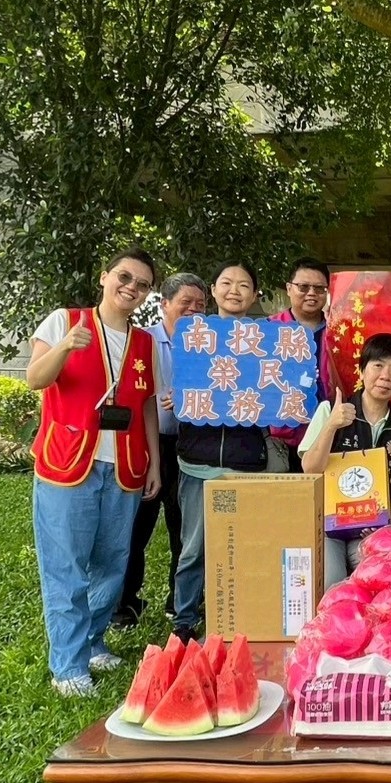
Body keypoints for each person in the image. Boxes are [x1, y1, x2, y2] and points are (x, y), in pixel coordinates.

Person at [27, 249, 162, 697]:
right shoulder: (64, 321)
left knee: (112, 562)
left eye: (142, 284)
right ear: (105, 276)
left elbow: (145, 406)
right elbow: (35, 378)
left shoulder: (144, 343)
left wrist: (154, 462)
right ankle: (67, 666)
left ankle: (92, 642)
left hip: (125, 465)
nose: (131, 287)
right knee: (66, 565)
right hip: (68, 461)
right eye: (124, 276)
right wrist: (66, 346)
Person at [173, 261, 268, 642]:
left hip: (246, 464)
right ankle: (184, 621)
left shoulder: (268, 342)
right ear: (212, 290)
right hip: (198, 462)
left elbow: (279, 394)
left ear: (255, 295)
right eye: (226, 283)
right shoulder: (193, 336)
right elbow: (176, 384)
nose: (234, 291)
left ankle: (237, 620)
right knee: (194, 549)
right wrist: (176, 396)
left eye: (244, 285)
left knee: (241, 548)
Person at [112, 272, 207, 629]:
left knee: (184, 529)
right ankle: (124, 604)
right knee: (137, 525)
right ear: (164, 304)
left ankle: (178, 602)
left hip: (191, 446)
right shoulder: (142, 341)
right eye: (186, 303)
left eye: (201, 305)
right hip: (148, 444)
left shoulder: (210, 343)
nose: (194, 310)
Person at [300, 334, 391, 586]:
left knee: (378, 581)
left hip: (371, 529)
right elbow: (310, 468)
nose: (385, 376)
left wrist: (382, 524)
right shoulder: (331, 410)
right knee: (331, 582)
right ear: (362, 370)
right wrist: (332, 425)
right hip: (327, 525)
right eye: (378, 365)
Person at [269, 256, 333, 471]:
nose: (312, 293)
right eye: (303, 287)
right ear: (289, 288)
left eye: (319, 288)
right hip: (280, 438)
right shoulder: (267, 330)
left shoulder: (339, 330)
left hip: (328, 436)